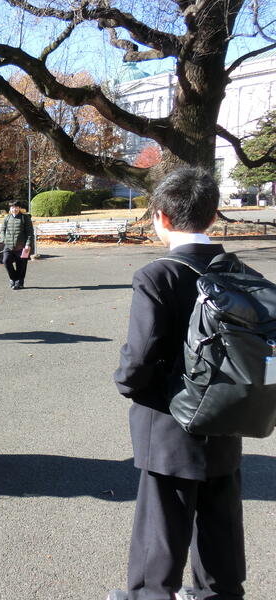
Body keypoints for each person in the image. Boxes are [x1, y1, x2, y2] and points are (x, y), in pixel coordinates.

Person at [108, 168, 247, 600]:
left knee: (162, 522)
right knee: (221, 515)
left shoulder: (158, 275)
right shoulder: (237, 270)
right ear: (212, 216)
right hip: (229, 413)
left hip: (170, 418)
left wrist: (129, 385)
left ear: (162, 217)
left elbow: (140, 356)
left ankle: (151, 595)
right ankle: (219, 594)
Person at [0, 200, 34, 289]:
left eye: (16, 207)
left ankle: (19, 282)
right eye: (12, 207)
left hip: (22, 246)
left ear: (19, 208)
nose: (14, 209)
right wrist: (4, 239)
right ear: (10, 209)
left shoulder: (25, 218)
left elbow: (30, 233)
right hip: (8, 245)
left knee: (21, 265)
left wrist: (28, 244)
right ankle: (13, 279)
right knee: (6, 261)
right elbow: (2, 230)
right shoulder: (7, 218)